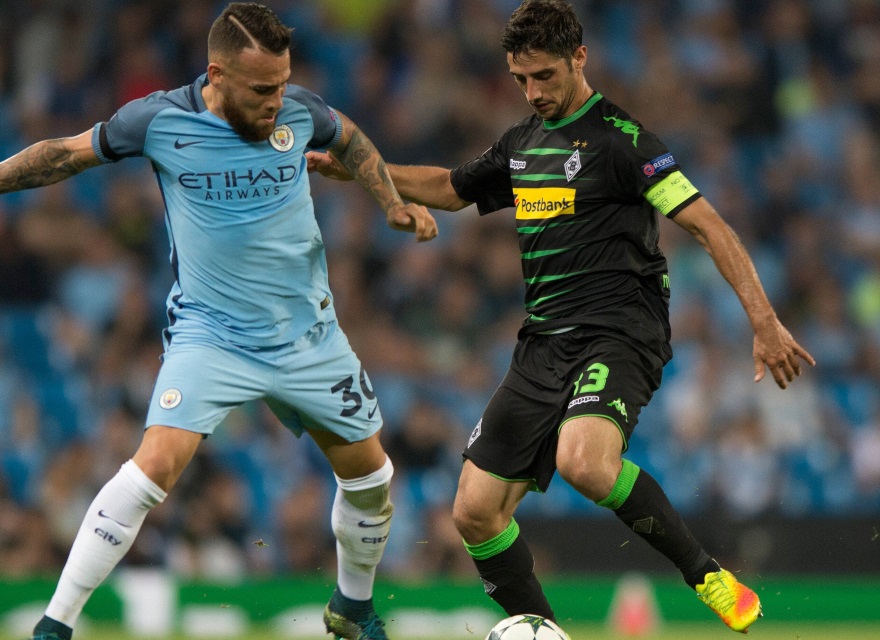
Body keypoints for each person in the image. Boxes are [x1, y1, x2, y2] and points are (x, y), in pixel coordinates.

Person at [0, 4, 437, 640]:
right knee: (155, 467)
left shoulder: (299, 111)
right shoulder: (158, 119)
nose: (275, 101)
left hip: (308, 335)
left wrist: (392, 202)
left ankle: (353, 609)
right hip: (213, 335)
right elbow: (59, 156)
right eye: (261, 89)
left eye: (282, 85)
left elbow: (352, 140)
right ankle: (54, 626)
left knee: (371, 478)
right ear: (217, 75)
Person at [307, 0, 815, 634]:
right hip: (542, 344)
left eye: (544, 75)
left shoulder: (625, 142)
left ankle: (708, 576)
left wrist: (764, 323)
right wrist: (362, 169)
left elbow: (708, 226)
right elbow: (449, 187)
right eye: (521, 79)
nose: (533, 92)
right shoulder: (521, 144)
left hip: (621, 333)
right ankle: (543, 630)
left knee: (585, 462)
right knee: (474, 512)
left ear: (580, 58)